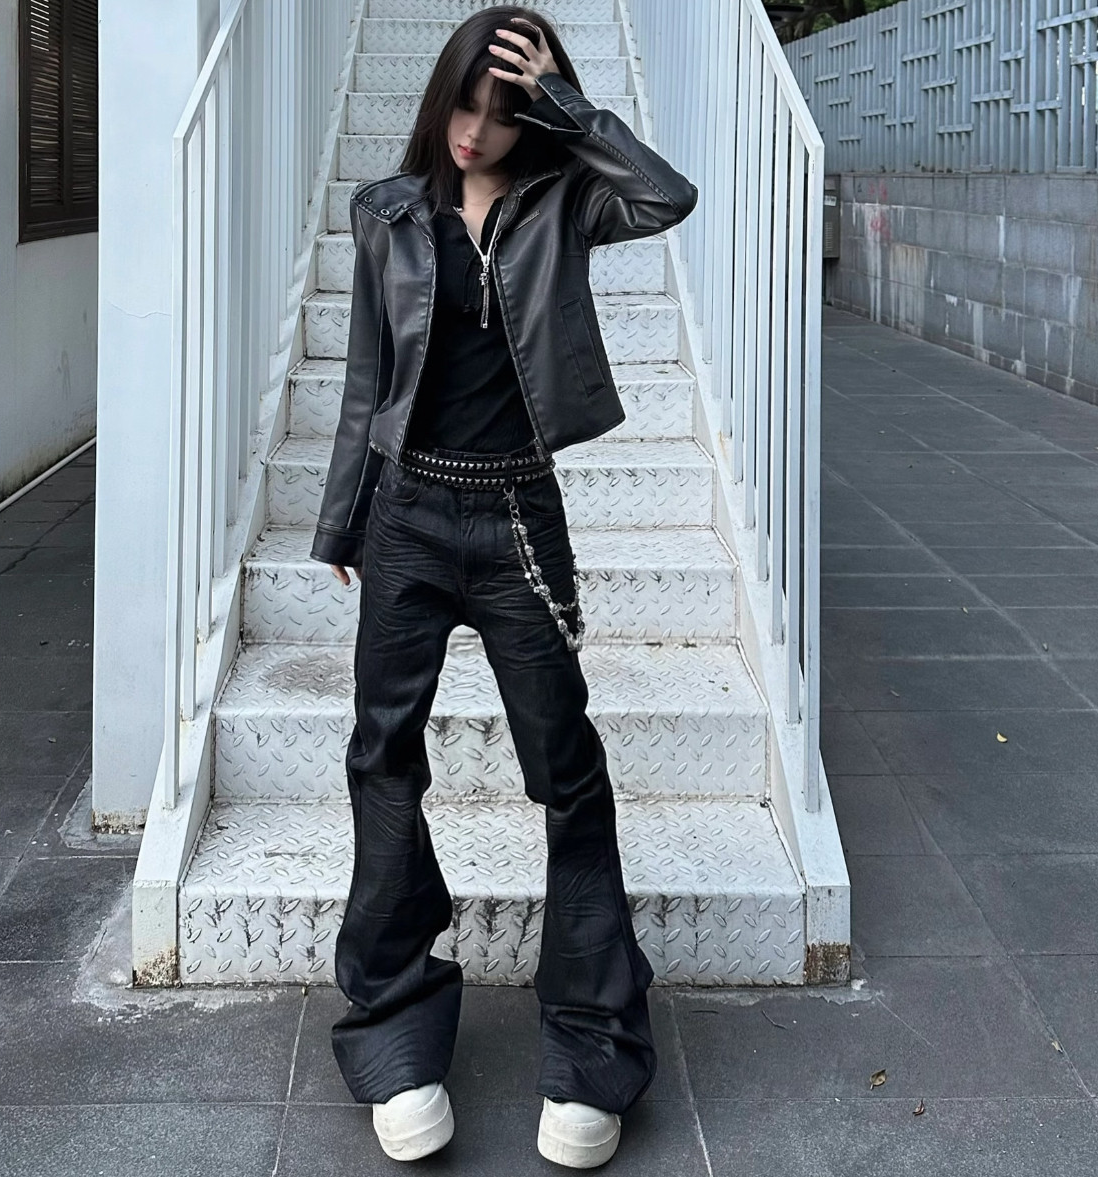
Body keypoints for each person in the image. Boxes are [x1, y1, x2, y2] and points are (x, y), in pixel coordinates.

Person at [309, 5, 698, 1167]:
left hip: (521, 515)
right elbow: (366, 377)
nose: (475, 131)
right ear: (438, 97)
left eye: (502, 113)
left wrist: (566, 105)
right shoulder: (387, 213)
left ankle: (592, 1044)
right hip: (409, 516)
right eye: (464, 105)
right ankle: (393, 1026)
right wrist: (343, 517)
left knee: (564, 771)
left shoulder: (567, 200)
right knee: (383, 754)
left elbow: (666, 196)